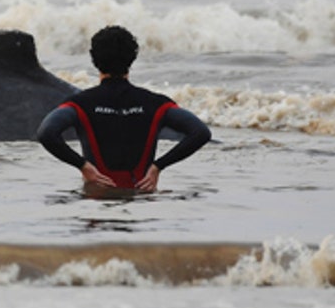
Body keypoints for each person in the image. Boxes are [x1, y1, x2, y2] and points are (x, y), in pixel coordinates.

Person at [36, 25, 211, 192]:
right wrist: (158, 167)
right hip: (142, 199)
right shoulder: (155, 103)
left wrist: (84, 166)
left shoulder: (81, 103)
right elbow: (200, 132)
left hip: (97, 198)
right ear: (133, 58)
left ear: (93, 59)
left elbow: (46, 133)